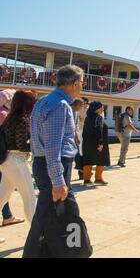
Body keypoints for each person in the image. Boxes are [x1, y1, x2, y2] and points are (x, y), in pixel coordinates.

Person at [24, 65, 84, 257]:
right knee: (50, 212)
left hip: (45, 163)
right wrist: (57, 180)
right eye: (81, 83)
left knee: (54, 211)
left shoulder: (43, 101)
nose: (81, 87)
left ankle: (63, 251)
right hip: (54, 165)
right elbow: (52, 146)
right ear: (75, 84)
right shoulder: (60, 105)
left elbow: (35, 137)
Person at [0, 91, 37, 244]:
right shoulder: (21, 119)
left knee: (2, 197)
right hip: (17, 161)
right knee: (30, 197)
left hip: (7, 160)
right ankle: (38, 234)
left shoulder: (9, 117)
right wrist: (36, 146)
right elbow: (22, 145)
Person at [0, 89, 25, 229]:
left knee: (3, 190)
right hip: (5, 156)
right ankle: (7, 216)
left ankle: (7, 215)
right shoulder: (5, 114)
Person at [82, 102, 110, 186]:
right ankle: (98, 178)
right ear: (97, 109)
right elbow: (99, 130)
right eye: (101, 107)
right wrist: (100, 143)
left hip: (87, 143)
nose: (103, 109)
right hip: (98, 143)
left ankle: (86, 179)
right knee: (101, 159)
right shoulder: (99, 118)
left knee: (88, 159)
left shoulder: (88, 118)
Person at [72, 98, 84, 180]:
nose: (81, 108)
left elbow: (76, 126)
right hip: (67, 139)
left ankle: (81, 173)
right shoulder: (68, 111)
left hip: (74, 137)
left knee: (78, 156)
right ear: (77, 105)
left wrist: (77, 136)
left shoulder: (76, 113)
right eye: (81, 106)